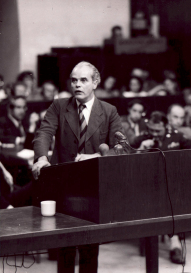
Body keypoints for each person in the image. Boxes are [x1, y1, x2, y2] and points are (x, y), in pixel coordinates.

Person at [32, 61, 123, 273]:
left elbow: (122, 148)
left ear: (95, 83)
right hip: (63, 186)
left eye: (83, 80)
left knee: (90, 249)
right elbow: (44, 133)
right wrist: (42, 158)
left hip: (93, 187)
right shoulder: (59, 106)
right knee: (65, 249)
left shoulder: (109, 112)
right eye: (74, 80)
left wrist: (96, 156)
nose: (77, 85)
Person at [131, 111, 191, 265]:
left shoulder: (177, 137)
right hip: (146, 185)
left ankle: (174, 243)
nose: (154, 134)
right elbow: (128, 163)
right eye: (151, 130)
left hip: (173, 183)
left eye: (158, 130)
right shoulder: (142, 138)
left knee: (173, 192)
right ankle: (167, 241)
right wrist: (140, 149)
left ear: (166, 126)